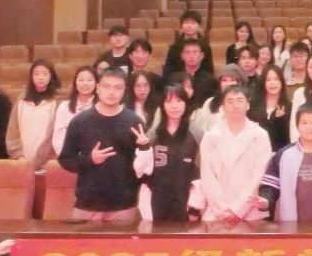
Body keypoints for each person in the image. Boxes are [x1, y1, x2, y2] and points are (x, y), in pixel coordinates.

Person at [58, 68, 143, 222]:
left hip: (124, 205)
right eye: (106, 86)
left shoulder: (134, 122)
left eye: (117, 87)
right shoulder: (80, 121)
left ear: (124, 90)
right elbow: (65, 159)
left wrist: (145, 148)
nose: (112, 92)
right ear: (97, 88)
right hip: (87, 204)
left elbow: (143, 165)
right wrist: (90, 159)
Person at [257, 103, 312, 225]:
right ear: (297, 126)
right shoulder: (283, 154)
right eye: (304, 123)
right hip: (289, 224)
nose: (309, 127)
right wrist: (265, 201)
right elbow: (271, 185)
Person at [200, 85, 273, 223]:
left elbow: (259, 175)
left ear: (248, 105)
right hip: (217, 213)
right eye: (230, 101)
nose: (235, 105)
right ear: (223, 106)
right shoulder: (211, 136)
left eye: (240, 100)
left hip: (250, 212)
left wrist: (237, 209)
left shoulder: (260, 135)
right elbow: (207, 176)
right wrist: (223, 209)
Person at [132, 83, 200, 223]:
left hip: (186, 202)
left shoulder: (197, 134)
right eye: (168, 101)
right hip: (156, 201)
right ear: (162, 105)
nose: (174, 106)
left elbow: (203, 174)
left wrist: (195, 207)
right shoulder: (152, 135)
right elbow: (140, 172)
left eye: (179, 100)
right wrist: (143, 148)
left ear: (186, 103)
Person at [5, 59, 61, 169]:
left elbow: (57, 135)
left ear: (51, 76)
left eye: (45, 74)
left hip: (46, 164)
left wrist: (43, 160)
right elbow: (13, 129)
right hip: (21, 163)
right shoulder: (22, 99)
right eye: (36, 73)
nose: (40, 77)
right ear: (31, 76)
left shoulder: (58, 102)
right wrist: (19, 156)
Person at [51, 66, 97, 157]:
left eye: (89, 80)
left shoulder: (101, 107)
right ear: (75, 83)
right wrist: (68, 156)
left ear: (96, 84)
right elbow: (58, 136)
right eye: (81, 80)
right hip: (68, 157)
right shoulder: (64, 106)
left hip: (94, 157)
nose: (85, 83)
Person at [190, 64, 247, 137]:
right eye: (224, 80)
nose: (228, 84)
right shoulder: (210, 102)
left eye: (232, 80)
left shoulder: (245, 102)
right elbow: (203, 128)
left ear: (239, 83)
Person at [250, 64, 291, 152]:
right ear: (263, 83)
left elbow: (288, 138)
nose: (273, 83)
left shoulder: (288, 106)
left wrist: (280, 120)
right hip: (256, 152)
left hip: (279, 153)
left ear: (282, 81)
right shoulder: (253, 104)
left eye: (276, 79)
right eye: (268, 80)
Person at [162, 12, 211, 79]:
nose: (189, 26)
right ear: (181, 25)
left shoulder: (205, 46)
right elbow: (168, 70)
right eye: (186, 23)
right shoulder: (175, 46)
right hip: (178, 80)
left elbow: (209, 68)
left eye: (193, 23)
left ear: (199, 26)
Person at [178, 39, 219, 106]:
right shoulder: (173, 79)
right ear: (182, 56)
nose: (191, 55)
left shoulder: (211, 80)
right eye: (188, 52)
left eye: (195, 52)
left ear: (202, 55)